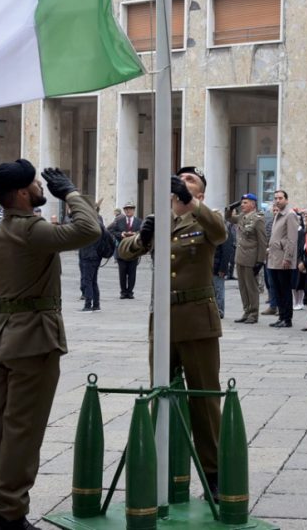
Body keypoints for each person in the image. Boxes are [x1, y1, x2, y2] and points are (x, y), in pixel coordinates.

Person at [0, 162, 99, 530]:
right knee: (24, 430)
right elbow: (89, 229)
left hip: (5, 340)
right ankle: (12, 513)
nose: (40, 185)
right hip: (36, 340)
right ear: (23, 194)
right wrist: (72, 193)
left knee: (2, 425)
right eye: (34, 182)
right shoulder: (33, 230)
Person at [117, 166, 227, 497]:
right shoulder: (161, 219)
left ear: (200, 193)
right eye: (179, 179)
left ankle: (214, 475)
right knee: (159, 395)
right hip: (163, 320)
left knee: (203, 401)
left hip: (197, 320)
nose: (181, 183)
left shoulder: (206, 217)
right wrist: (143, 237)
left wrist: (191, 203)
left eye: (190, 180)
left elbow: (220, 233)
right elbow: (124, 251)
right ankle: (158, 469)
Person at [227, 193, 267, 324]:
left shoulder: (258, 219)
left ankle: (254, 314)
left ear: (253, 204)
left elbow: (262, 241)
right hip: (240, 257)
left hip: (251, 258)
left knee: (251, 287)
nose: (242, 205)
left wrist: (260, 261)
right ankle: (246, 311)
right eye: (242, 202)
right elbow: (228, 217)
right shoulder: (242, 217)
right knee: (243, 287)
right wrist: (231, 207)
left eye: (245, 203)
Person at [265, 189, 299, 328]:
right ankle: (281, 316)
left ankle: (287, 318)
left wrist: (288, 258)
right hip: (274, 258)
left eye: (280, 198)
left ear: (286, 199)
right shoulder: (278, 214)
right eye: (276, 198)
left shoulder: (290, 215)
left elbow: (292, 239)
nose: (277, 200)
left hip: (283, 258)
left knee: (284, 290)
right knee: (276, 289)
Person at [109, 201, 141, 299]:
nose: (128, 210)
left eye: (130, 209)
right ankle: (123, 292)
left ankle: (130, 292)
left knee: (132, 272)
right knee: (122, 272)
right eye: (126, 209)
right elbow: (112, 230)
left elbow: (143, 231)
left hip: (133, 250)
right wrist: (121, 234)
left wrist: (136, 234)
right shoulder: (119, 221)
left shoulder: (139, 221)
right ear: (124, 210)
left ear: (133, 210)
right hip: (121, 250)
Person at [77, 206, 103, 313]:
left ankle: (88, 305)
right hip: (96, 256)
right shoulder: (99, 222)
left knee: (88, 280)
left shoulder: (88, 223)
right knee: (93, 281)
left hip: (88, 255)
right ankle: (96, 305)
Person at [212, 213, 235, 319]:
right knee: (213, 289)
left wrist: (223, 268)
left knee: (218, 289)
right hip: (211, 266)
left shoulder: (224, 232)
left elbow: (226, 252)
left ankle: (220, 310)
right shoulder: (212, 230)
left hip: (218, 267)